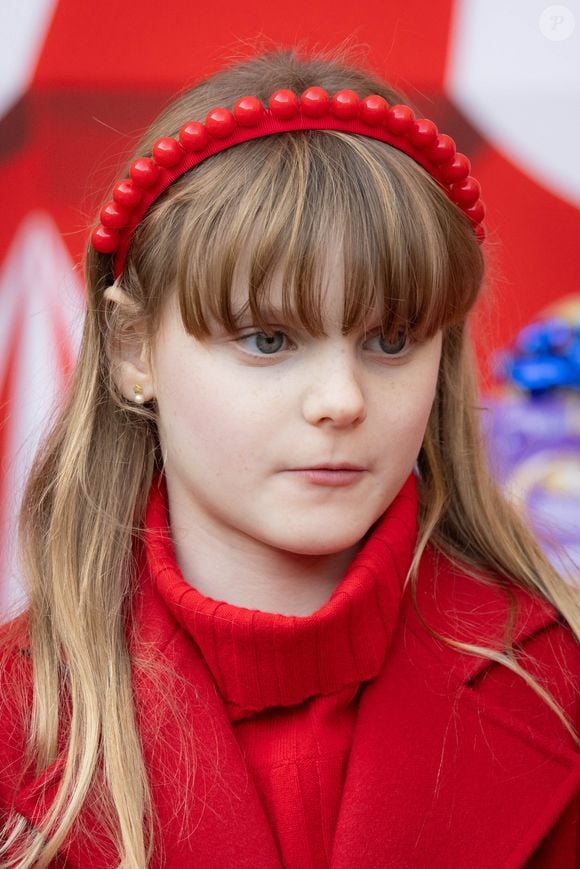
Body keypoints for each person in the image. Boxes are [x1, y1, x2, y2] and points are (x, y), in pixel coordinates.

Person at [0, 43, 578, 869]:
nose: (340, 399)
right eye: (270, 338)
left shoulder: (561, 686)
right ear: (134, 348)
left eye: (390, 338)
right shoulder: (20, 715)